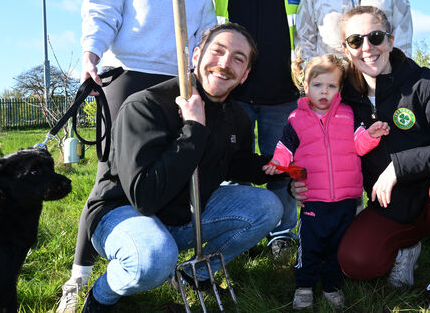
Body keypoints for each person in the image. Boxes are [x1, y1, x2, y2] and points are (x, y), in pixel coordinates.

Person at [58, 0, 216, 313]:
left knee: (169, 168)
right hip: (127, 77)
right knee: (111, 177)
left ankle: (151, 244)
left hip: (176, 84)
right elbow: (101, 12)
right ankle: (79, 276)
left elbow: (204, 39)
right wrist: (91, 55)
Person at [79, 23, 284, 312]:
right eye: (218, 51)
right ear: (196, 55)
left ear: (246, 74)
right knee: (155, 257)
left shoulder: (236, 116)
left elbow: (233, 164)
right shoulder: (147, 105)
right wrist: (193, 130)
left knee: (268, 206)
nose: (225, 64)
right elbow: (145, 196)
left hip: (183, 213)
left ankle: (193, 274)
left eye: (238, 59)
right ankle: (102, 295)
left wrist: (279, 166)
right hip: (122, 213)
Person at [293, 6, 430, 310]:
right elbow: (317, 145)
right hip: (390, 207)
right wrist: (300, 181)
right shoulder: (340, 99)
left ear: (391, 40)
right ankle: (406, 248)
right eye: (355, 41)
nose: (367, 47)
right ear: (346, 49)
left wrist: (400, 165)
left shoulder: (428, 83)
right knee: (355, 262)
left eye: (376, 37)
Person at [198, 0, 315, 257]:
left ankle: (282, 234)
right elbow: (195, 18)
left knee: (283, 164)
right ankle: (239, 229)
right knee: (230, 165)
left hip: (283, 91)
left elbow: (315, 22)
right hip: (229, 93)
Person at [263, 54, 390, 309]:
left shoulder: (347, 114)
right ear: (305, 86)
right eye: (318, 85)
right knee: (310, 246)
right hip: (314, 199)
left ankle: (332, 286)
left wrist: (372, 135)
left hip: (346, 199)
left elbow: (359, 144)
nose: (324, 91)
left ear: (340, 89)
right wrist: (277, 162)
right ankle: (304, 286)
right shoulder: (296, 119)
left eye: (331, 86)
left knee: (337, 246)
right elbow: (285, 147)